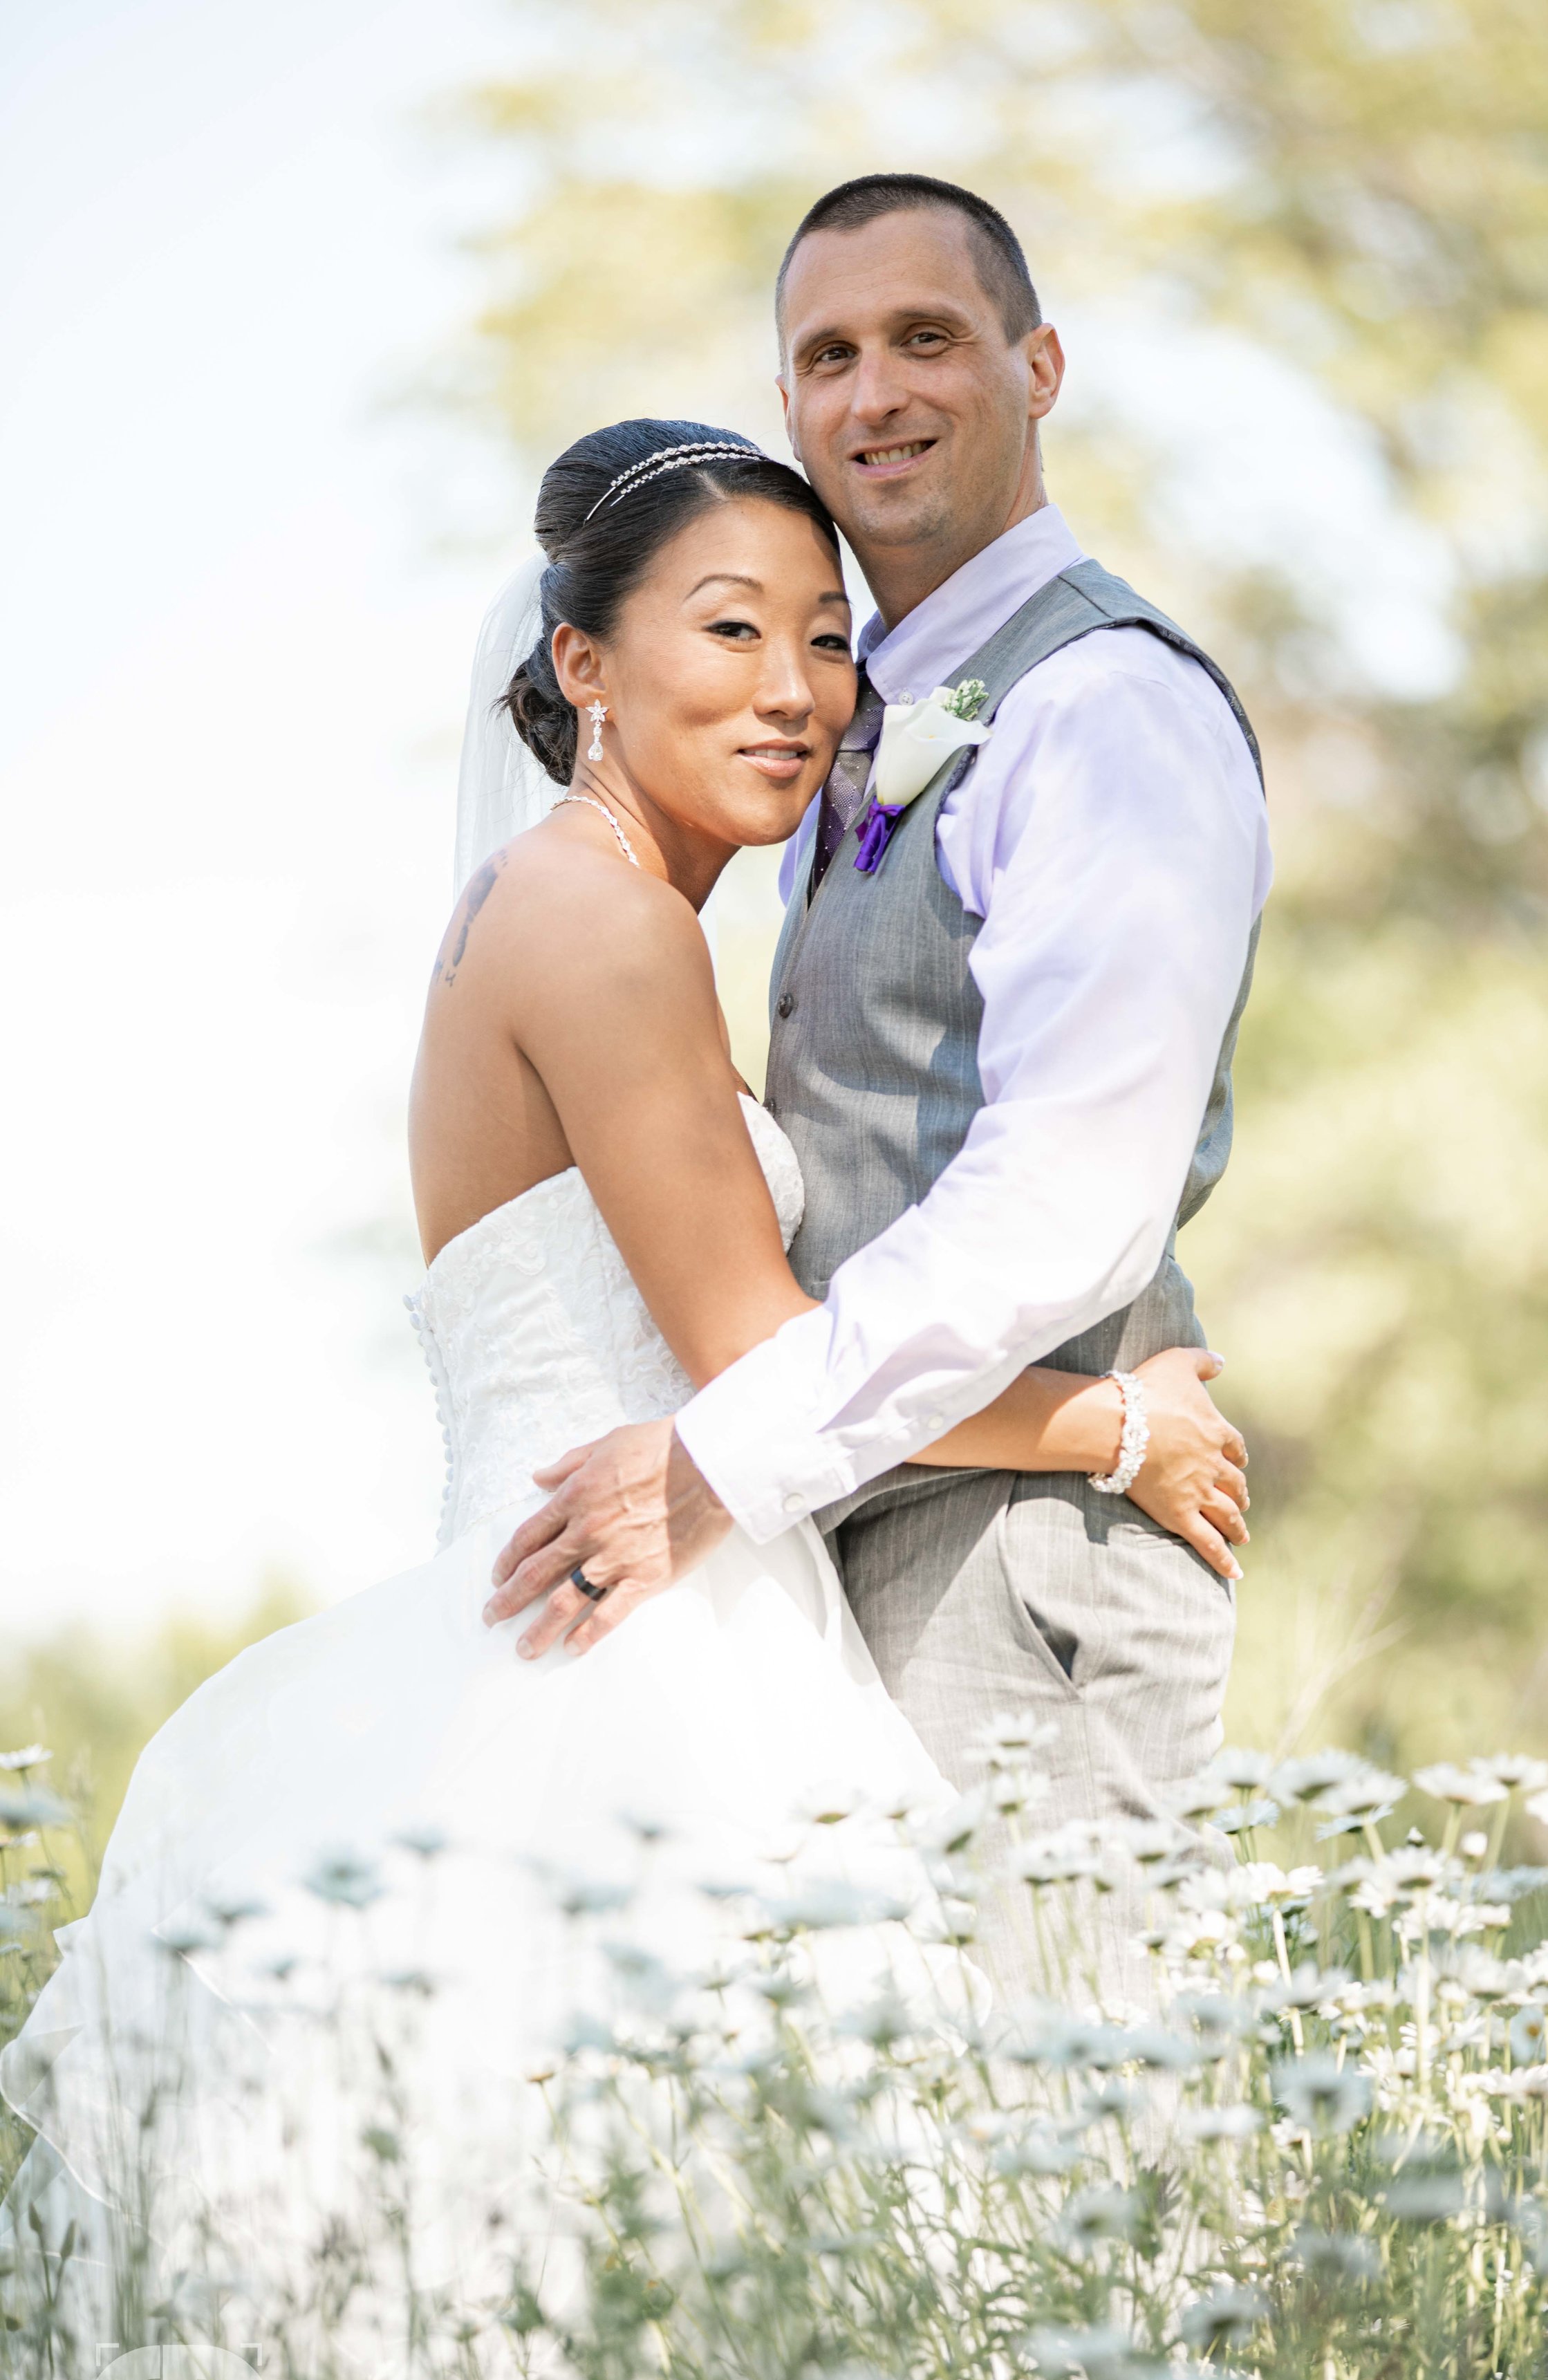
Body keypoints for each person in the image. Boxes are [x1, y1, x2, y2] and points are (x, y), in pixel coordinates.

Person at [0, 418, 1249, 2301]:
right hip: (633, 1653)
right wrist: (1111, 1426)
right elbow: (751, 1351)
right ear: (580, 661)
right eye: (729, 631)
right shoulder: (600, 926)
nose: (796, 691)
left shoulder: (557, 911)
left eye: (826, 639)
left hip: (607, 1594)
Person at [486, 176, 1271, 1989]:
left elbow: (1067, 1200)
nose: (872, 394)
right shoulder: (846, 737)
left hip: (1027, 1557)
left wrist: (723, 1461)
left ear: (1035, 364)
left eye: (924, 337)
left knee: (1053, 2179)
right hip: (856, 1535)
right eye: (824, 356)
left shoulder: (1100, 709)